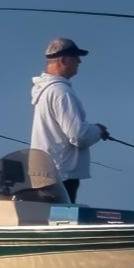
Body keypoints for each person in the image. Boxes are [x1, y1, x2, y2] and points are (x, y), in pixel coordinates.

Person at [30, 37, 109, 203]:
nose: (79, 61)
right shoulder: (61, 92)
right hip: (62, 174)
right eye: (75, 57)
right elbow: (78, 135)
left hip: (45, 174)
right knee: (60, 221)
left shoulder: (44, 90)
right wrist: (98, 130)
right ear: (63, 60)